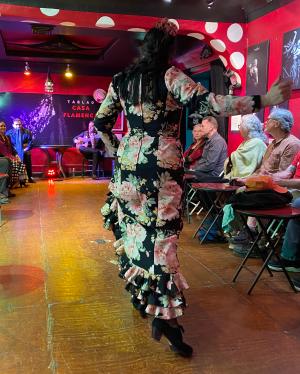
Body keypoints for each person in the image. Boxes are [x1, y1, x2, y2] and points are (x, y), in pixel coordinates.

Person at [93, 18, 292, 357]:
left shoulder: (120, 81)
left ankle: (143, 296)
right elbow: (214, 104)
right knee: (164, 237)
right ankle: (166, 319)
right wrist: (263, 99)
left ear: (143, 49)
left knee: (135, 232)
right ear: (166, 51)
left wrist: (117, 147)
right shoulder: (170, 77)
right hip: (161, 168)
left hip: (127, 169)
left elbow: (101, 122)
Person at [224, 114, 267, 179]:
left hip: (248, 180)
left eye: (240, 125)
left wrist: (230, 158)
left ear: (247, 127)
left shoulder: (256, 142)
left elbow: (238, 158)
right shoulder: (247, 142)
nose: (239, 129)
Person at [6, 118, 34, 183]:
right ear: (13, 125)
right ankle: (17, 180)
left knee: (27, 160)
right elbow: (8, 144)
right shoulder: (9, 133)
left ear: (22, 124)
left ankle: (30, 178)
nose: (18, 126)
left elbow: (31, 142)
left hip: (25, 150)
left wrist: (25, 149)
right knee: (15, 163)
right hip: (14, 151)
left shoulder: (27, 131)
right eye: (17, 125)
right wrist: (14, 150)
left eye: (20, 124)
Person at [0, 120, 27, 187]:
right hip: (3, 157)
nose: (3, 127)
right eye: (1, 126)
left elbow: (11, 148)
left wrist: (16, 155)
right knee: (14, 163)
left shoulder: (7, 137)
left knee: (20, 163)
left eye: (4, 126)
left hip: (10, 155)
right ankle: (11, 183)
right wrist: (7, 157)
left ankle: (20, 182)